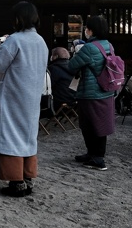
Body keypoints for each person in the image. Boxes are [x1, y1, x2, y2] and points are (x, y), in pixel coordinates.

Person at [0, 1, 50, 197]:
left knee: (10, 135)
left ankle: (16, 181)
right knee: (28, 135)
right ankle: (28, 177)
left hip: (13, 95)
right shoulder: (41, 41)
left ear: (17, 19)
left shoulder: (14, 40)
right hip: (31, 95)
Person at [64, 15, 117, 171]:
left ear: (91, 30)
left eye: (87, 28)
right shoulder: (109, 45)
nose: (85, 30)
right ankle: (93, 154)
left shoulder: (88, 48)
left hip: (90, 92)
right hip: (106, 90)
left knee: (89, 125)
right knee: (100, 124)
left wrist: (75, 51)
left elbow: (72, 66)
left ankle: (98, 158)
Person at [47, 47, 77, 111]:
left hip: (58, 103)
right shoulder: (74, 66)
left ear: (56, 56)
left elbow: (48, 85)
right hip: (74, 101)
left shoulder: (53, 69)